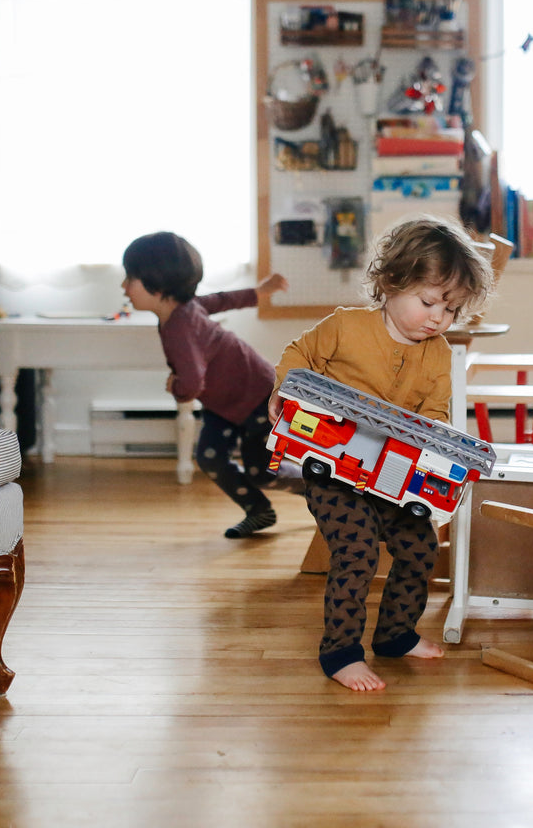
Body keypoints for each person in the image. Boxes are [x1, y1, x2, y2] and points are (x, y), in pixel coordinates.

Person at [270, 216, 494, 692]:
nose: (438, 317)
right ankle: (341, 652)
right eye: (428, 301)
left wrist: (441, 441)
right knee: (356, 549)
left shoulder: (437, 355)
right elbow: (297, 354)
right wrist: (284, 389)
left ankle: (395, 635)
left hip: (393, 479)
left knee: (419, 548)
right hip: (333, 470)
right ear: (391, 283)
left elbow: (435, 414)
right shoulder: (345, 327)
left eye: (451, 309)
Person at [121, 231, 289, 539]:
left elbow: (193, 382)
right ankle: (259, 511)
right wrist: (259, 292)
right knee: (210, 456)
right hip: (224, 404)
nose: (124, 287)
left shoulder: (180, 326)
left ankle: (323, 492)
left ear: (156, 285)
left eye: (130, 278)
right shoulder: (183, 309)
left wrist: (175, 387)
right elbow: (222, 300)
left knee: (261, 471)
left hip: (255, 396)